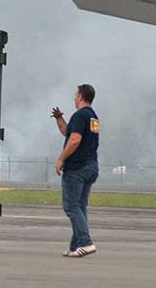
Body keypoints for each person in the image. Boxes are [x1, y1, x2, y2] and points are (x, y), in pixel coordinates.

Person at [51, 84, 100, 258]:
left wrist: (61, 159)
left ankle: (86, 243)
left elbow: (74, 140)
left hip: (77, 167)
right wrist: (59, 119)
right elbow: (69, 132)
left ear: (80, 96)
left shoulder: (80, 115)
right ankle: (76, 246)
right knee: (80, 207)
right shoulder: (92, 117)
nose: (74, 98)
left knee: (71, 206)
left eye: (75, 95)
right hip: (91, 166)